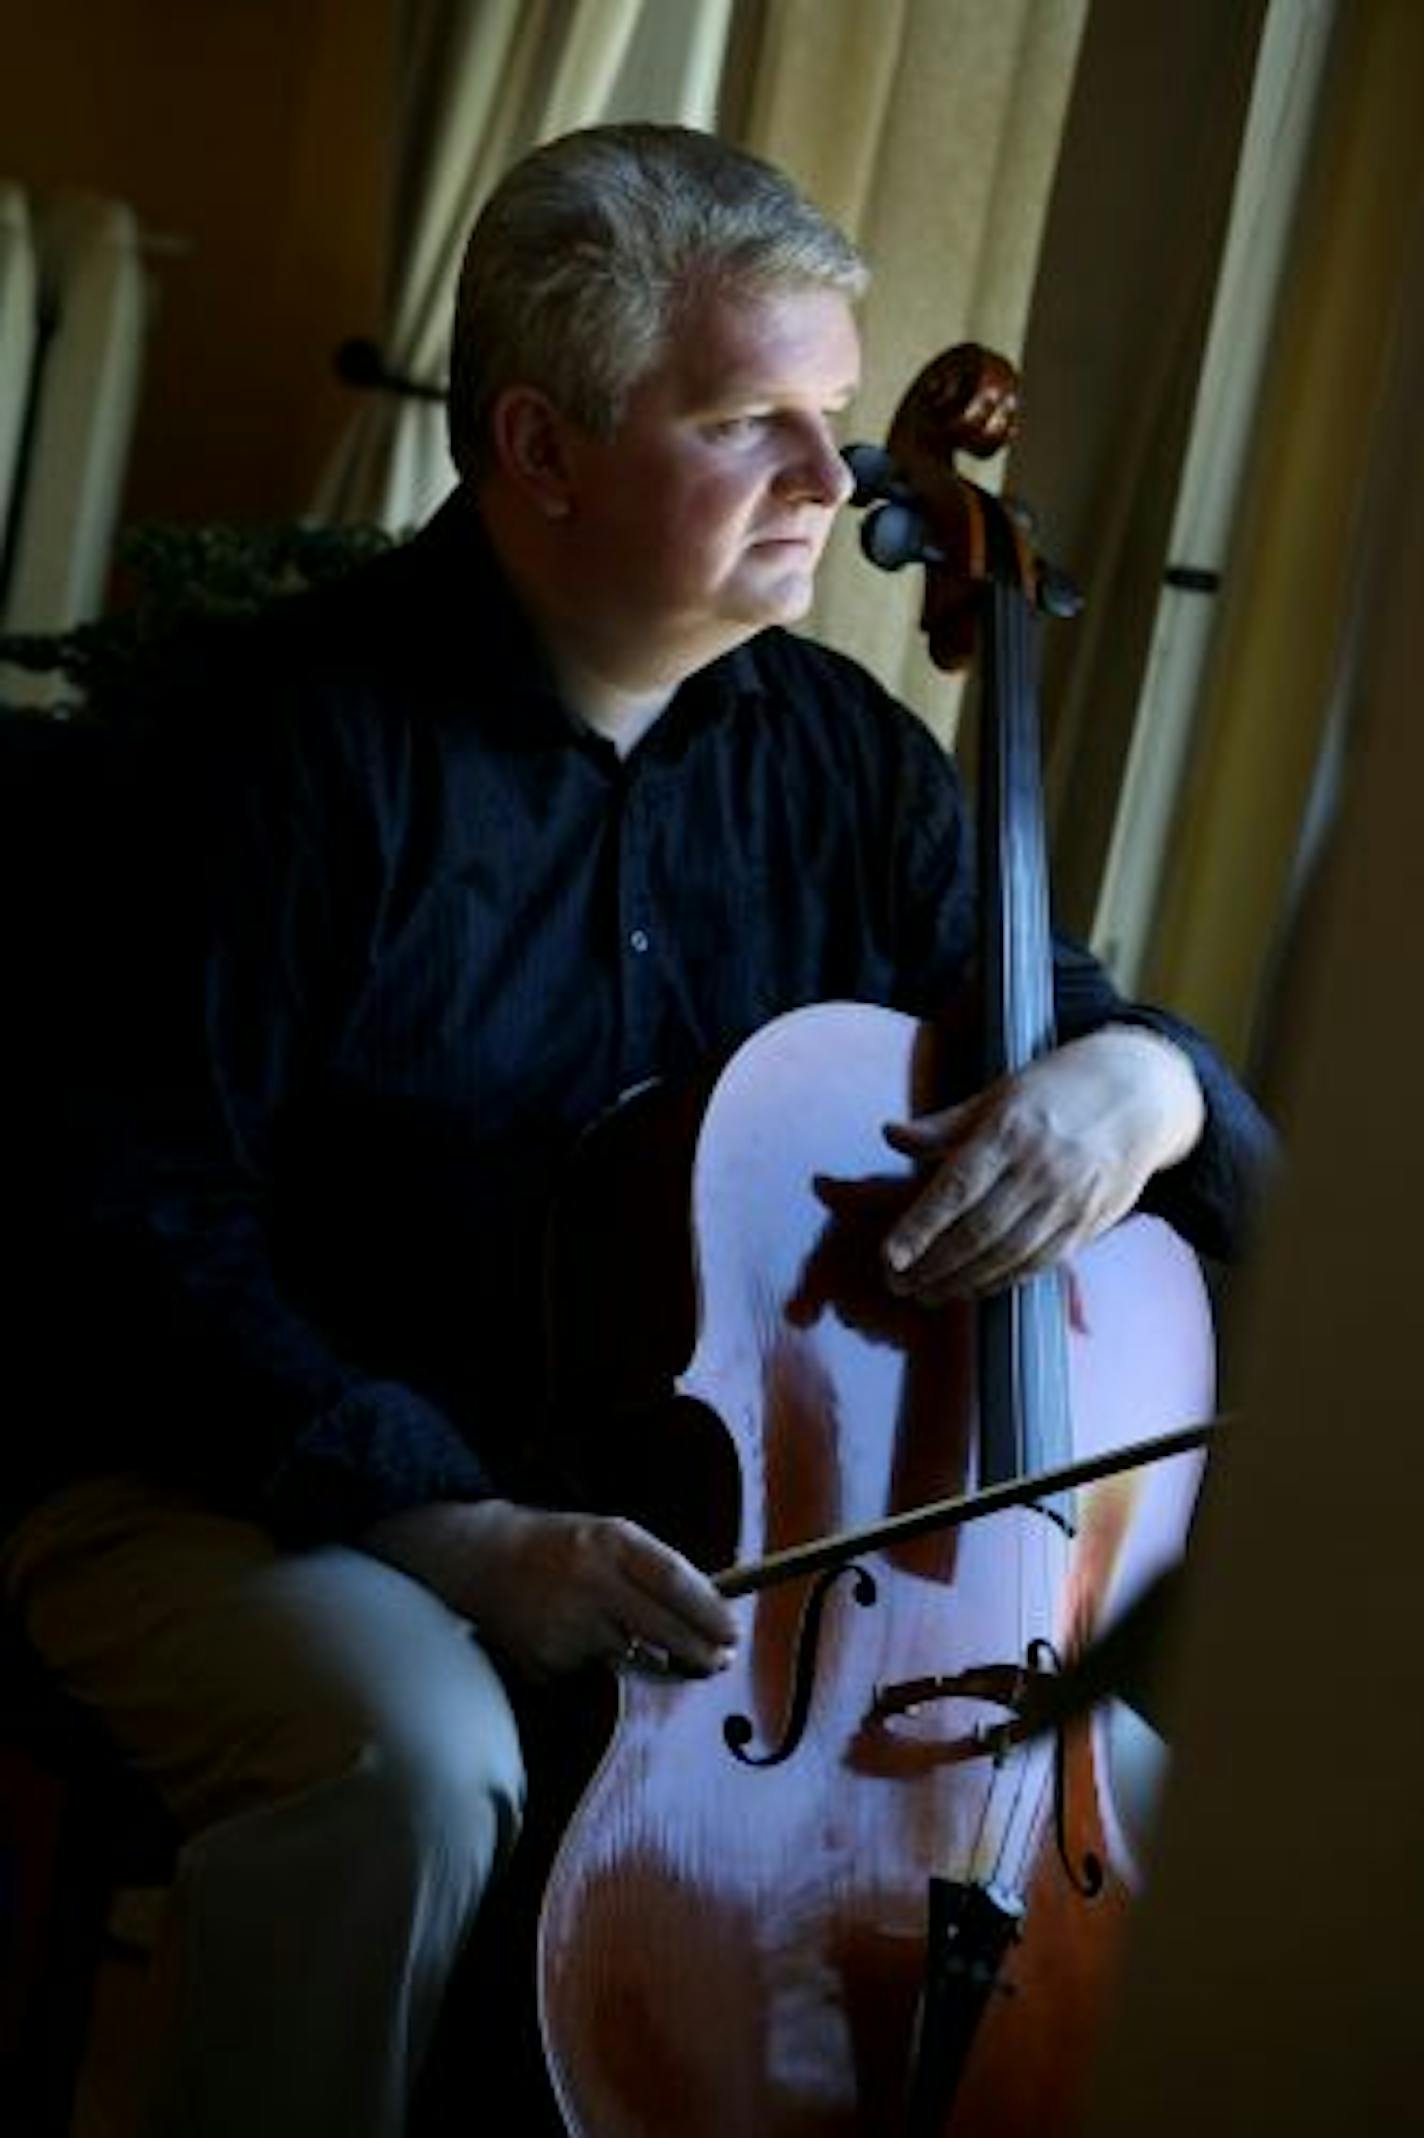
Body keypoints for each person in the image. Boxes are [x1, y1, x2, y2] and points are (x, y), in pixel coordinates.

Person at [1, 123, 1272, 2138]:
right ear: (541, 444)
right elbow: (131, 1230)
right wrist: (453, 1523)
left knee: (1170, 1840)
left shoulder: (846, 769)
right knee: (412, 1765)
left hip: (696, 1534)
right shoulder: (267, 752)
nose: (829, 487)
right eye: (746, 422)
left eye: (835, 424)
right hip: (243, 1478)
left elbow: (1150, 1110)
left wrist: (1151, 1078)